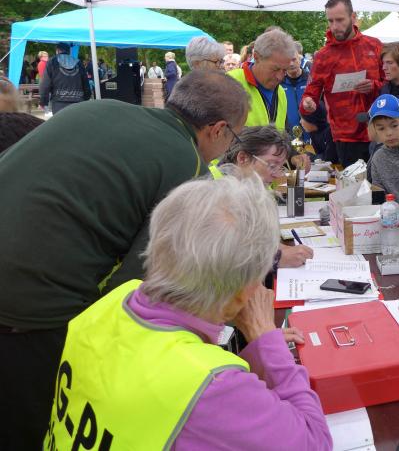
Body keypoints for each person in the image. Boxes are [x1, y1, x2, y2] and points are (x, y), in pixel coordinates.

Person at [0, 70, 250, 449]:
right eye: (234, 136)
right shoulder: (189, 168)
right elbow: (138, 290)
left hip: (21, 284)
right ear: (217, 130)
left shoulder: (96, 109)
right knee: (39, 429)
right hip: (30, 311)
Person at [43, 174, 332, 450]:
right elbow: (314, 442)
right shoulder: (209, 386)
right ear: (242, 293)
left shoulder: (117, 300)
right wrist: (266, 336)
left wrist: (259, 349)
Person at [300, 0, 385, 167]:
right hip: (347, 137)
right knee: (354, 183)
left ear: (353, 17)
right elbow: (309, 95)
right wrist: (308, 103)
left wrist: (374, 86)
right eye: (330, 21)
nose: (334, 26)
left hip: (381, 129)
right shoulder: (323, 56)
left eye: (340, 20)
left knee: (381, 182)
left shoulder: (374, 45)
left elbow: (390, 82)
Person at [218, 126, 315, 270]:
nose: (277, 175)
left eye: (281, 167)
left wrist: (278, 248)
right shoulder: (214, 192)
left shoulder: (253, 188)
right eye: (272, 165)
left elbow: (252, 238)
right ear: (243, 158)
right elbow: (220, 254)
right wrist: (275, 259)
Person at [365, 94, 399, 252]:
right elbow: (378, 200)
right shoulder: (377, 159)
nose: (388, 133)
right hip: (398, 241)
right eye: (381, 128)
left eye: (394, 125)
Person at [229, 27, 296, 130]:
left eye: (285, 70)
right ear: (256, 57)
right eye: (275, 69)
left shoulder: (281, 92)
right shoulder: (229, 83)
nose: (280, 77)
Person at [39, 42, 91, 114]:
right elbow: (85, 82)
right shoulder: (78, 63)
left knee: (60, 121)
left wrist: (43, 101)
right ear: (69, 51)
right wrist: (86, 97)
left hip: (59, 102)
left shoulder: (52, 62)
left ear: (57, 51)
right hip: (78, 101)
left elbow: (45, 84)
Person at [281, 45, 310, 133]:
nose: (291, 64)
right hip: (288, 135)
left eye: (294, 60)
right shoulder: (279, 83)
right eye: (288, 61)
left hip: (311, 134)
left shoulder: (311, 80)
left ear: (300, 60)